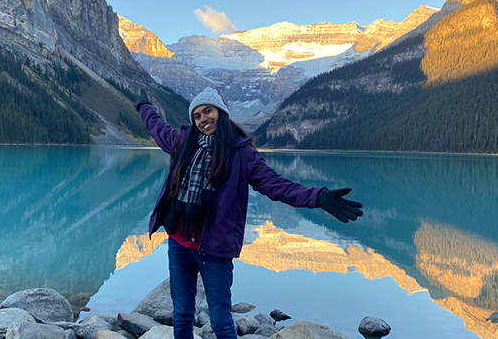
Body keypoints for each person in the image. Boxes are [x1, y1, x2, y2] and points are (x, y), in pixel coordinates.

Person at [135, 87, 363, 339]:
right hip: (179, 243)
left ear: (221, 113)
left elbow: (276, 186)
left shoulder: (242, 154)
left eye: (207, 111)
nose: (202, 119)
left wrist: (318, 197)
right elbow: (156, 127)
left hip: (214, 247)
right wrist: (143, 106)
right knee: (182, 315)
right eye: (197, 115)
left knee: (221, 319)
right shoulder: (183, 144)